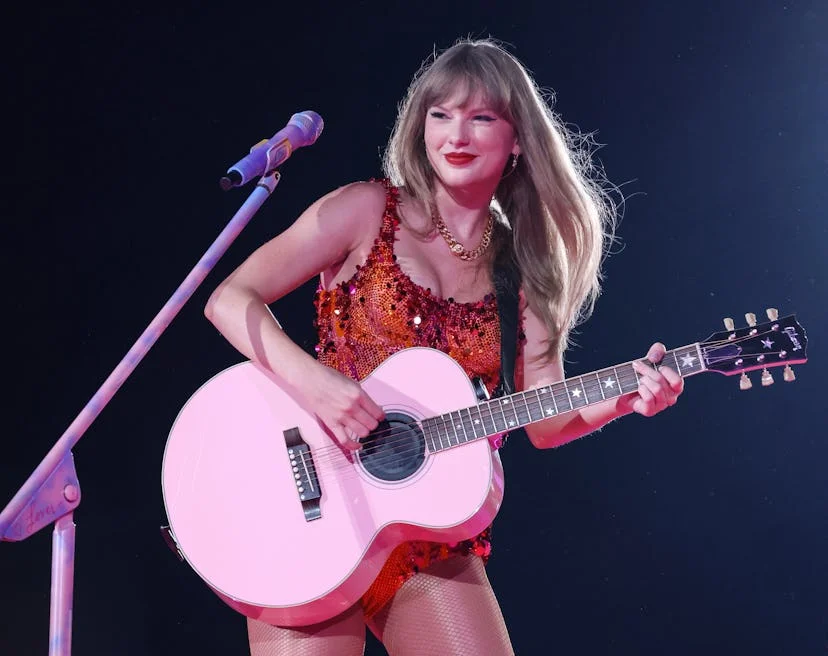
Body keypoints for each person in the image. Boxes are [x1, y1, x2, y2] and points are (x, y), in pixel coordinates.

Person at [204, 38, 684, 656]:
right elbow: (230, 299)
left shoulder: (526, 274)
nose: (457, 133)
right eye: (441, 113)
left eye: (481, 116)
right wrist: (315, 383)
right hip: (309, 515)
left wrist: (628, 398)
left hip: (426, 537)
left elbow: (547, 417)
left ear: (517, 140)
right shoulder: (365, 211)